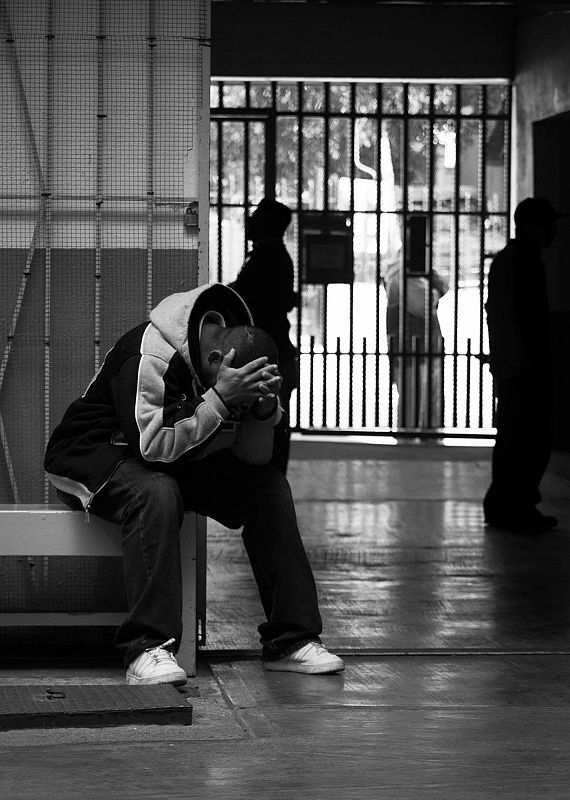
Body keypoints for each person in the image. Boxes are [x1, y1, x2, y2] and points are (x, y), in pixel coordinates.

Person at [44, 283, 344, 685]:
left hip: (173, 455)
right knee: (156, 491)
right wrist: (220, 399)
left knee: (268, 488)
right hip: (95, 455)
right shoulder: (151, 354)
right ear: (217, 358)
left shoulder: (237, 362)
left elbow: (253, 459)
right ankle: (146, 647)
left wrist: (262, 408)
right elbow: (151, 446)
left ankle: (291, 640)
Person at [483, 197, 559, 533]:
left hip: (516, 366)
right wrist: (528, 362)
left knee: (517, 438)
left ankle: (508, 504)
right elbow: (518, 320)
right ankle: (514, 505)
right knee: (526, 440)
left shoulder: (513, 261)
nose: (553, 231)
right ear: (529, 225)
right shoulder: (521, 263)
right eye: (547, 223)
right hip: (523, 368)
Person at [230, 198, 298, 474]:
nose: (250, 221)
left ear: (267, 224)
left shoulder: (266, 260)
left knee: (271, 422)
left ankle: (270, 482)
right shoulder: (272, 257)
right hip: (276, 352)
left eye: (257, 216)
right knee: (272, 420)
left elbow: (244, 299)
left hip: (270, 354)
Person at [384, 264, 449, 429]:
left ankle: (423, 434)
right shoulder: (400, 275)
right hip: (411, 346)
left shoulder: (410, 272)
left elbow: (443, 284)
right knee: (412, 399)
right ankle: (412, 438)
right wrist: (434, 290)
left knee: (422, 397)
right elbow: (424, 304)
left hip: (422, 345)